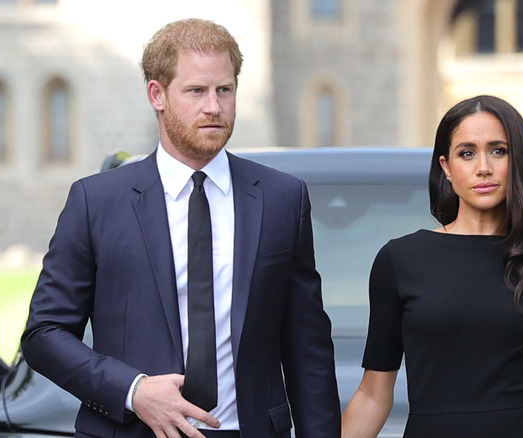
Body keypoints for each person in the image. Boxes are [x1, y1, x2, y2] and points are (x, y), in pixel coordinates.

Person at [21, 18, 340, 438]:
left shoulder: (282, 198)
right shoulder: (96, 202)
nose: (214, 107)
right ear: (157, 94)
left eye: (224, 90)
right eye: (196, 91)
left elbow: (307, 347)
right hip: (133, 429)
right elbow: (45, 334)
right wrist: (133, 391)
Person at [341, 95, 523, 437]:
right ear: (446, 167)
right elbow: (373, 395)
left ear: (519, 160)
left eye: (499, 150)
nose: (484, 167)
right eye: (467, 153)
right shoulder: (401, 261)